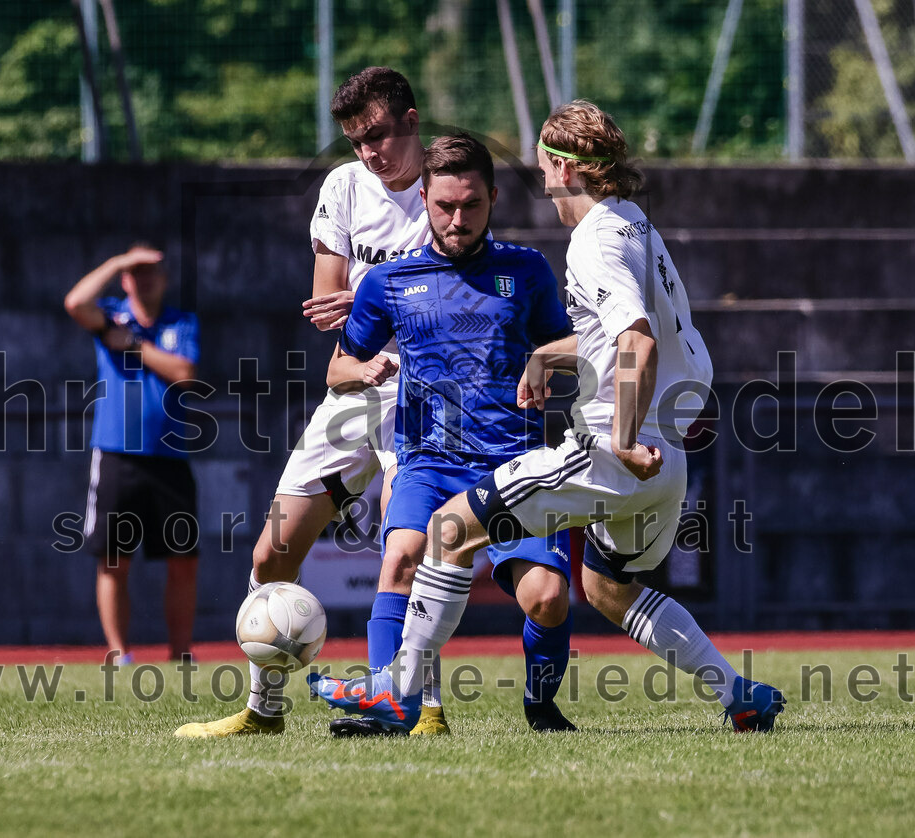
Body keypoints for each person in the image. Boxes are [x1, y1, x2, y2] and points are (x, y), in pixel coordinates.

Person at [311, 100, 786, 733]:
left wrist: (621, 440)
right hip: (666, 458)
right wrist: (547, 358)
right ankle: (739, 694)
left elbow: (635, 341)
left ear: (563, 168)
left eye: (541, 167)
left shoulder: (592, 240)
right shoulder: (636, 224)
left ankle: (398, 694)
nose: (541, 181)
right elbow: (641, 339)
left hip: (616, 451)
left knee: (450, 530)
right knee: (609, 589)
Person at [175, 67, 441, 738]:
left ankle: (422, 707)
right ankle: (263, 711)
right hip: (355, 383)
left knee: (405, 544)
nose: (370, 152)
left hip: (428, 390)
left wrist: (372, 295)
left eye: (378, 134)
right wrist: (381, 303)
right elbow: (328, 305)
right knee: (271, 554)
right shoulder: (344, 187)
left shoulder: (448, 185)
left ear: (411, 120)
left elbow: (457, 299)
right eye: (356, 141)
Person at [321, 132, 579, 737]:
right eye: (444, 206)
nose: (457, 220)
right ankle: (387, 704)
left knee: (546, 597)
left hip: (514, 463)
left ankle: (540, 705)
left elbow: (576, 342)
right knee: (400, 559)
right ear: (424, 200)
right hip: (429, 461)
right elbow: (336, 368)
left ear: (493, 199)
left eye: (471, 205)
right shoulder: (387, 282)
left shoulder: (526, 269)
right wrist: (365, 370)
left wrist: (546, 358)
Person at [64, 244, 201, 663]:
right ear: (125, 279)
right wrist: (116, 261)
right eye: (136, 272)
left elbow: (185, 373)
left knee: (183, 560)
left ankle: (180, 654)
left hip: (170, 456)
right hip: (116, 456)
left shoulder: (181, 321)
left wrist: (135, 346)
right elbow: (75, 303)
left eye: (151, 271)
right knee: (113, 560)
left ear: (165, 278)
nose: (144, 279)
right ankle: (119, 653)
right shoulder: (110, 315)